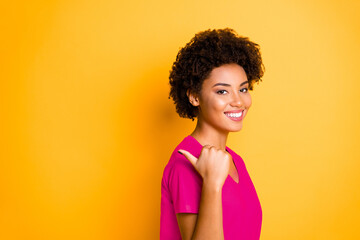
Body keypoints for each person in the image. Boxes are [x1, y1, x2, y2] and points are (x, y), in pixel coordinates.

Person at [160, 28, 265, 240]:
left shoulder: (236, 161)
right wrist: (212, 183)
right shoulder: (185, 164)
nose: (238, 101)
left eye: (243, 89)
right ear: (194, 97)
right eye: (222, 91)